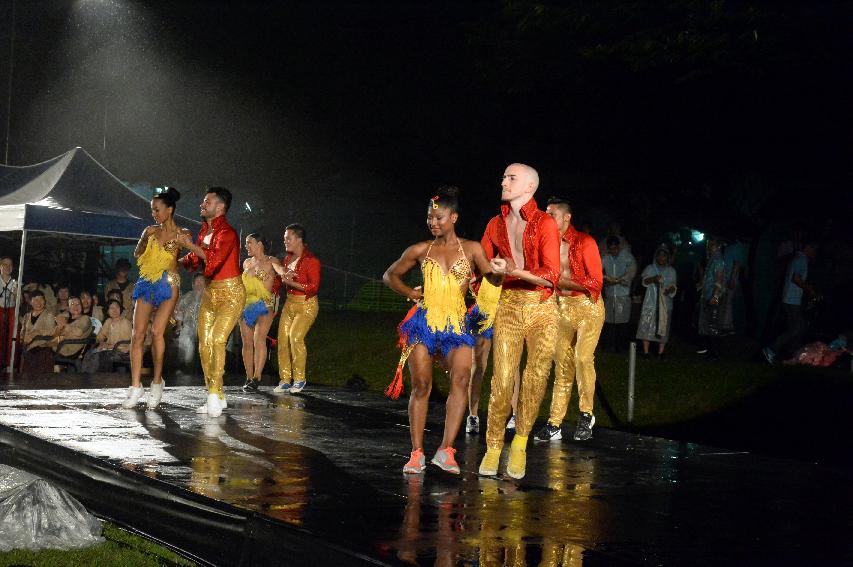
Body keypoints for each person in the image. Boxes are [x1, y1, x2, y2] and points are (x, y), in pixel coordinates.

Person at [383, 186, 499, 474]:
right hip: (424, 324)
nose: (433, 222)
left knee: (461, 379)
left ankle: (446, 451)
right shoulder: (421, 250)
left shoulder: (472, 249)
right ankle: (416, 452)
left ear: (454, 217)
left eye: (439, 217)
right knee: (422, 385)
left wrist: (501, 270)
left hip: (457, 325)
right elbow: (390, 275)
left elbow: (492, 278)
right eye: (430, 218)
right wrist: (410, 292)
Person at [478, 163, 561, 480]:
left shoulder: (545, 223)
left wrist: (513, 270)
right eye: (503, 177)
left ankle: (521, 443)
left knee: (535, 377)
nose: (503, 181)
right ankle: (494, 445)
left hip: (541, 306)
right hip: (510, 304)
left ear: (530, 186)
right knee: (501, 378)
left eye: (511, 178)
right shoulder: (495, 224)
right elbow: (481, 265)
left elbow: (551, 275)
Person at [534, 196, 604, 443]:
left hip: (588, 307)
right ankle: (555, 423)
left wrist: (560, 282)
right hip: (562, 307)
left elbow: (596, 282)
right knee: (562, 365)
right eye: (546, 213)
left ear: (566, 217)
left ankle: (587, 414)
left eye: (551, 214)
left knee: (583, 357)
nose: (547, 218)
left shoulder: (584, 242)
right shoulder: (546, 243)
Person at [121, 188, 191, 410]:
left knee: (156, 332)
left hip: (169, 283)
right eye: (152, 209)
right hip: (146, 281)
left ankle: (157, 381)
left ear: (169, 210)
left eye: (157, 209)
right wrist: (143, 239)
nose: (154, 213)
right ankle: (135, 386)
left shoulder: (183, 233)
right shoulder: (150, 231)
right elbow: (137, 255)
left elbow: (192, 256)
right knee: (137, 333)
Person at [179, 187, 245, 417]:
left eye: (207, 201)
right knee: (203, 344)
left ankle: (214, 394)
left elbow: (214, 262)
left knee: (217, 339)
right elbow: (193, 259)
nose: (202, 204)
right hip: (210, 293)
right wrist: (175, 257)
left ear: (220, 207)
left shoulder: (228, 233)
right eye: (203, 201)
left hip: (231, 293)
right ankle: (216, 395)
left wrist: (190, 246)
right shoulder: (204, 231)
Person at [271, 224, 320, 394]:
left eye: (288, 238)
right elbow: (281, 280)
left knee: (295, 337)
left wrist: (290, 281)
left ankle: (299, 379)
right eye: (284, 238)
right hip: (290, 304)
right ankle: (285, 379)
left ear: (299, 239)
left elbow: (313, 287)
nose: (285, 241)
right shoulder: (287, 260)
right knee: (282, 339)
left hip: (307, 304)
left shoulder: (311, 260)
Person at [763, 239, 820, 363]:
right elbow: (796, 278)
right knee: (796, 328)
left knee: (800, 327)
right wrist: (809, 289)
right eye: (814, 249)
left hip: (790, 298)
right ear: (808, 247)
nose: (815, 253)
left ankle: (793, 354)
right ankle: (771, 349)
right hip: (791, 299)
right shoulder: (802, 259)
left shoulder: (797, 258)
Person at [239, 233, 281, 392]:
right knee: (247, 342)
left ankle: (257, 377)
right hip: (247, 305)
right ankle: (249, 377)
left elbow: (275, 274)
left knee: (259, 339)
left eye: (249, 243)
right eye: (245, 243)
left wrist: (258, 272)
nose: (246, 246)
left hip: (265, 304)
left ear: (260, 244)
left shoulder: (272, 261)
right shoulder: (246, 262)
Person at [636, 246, 678, 357]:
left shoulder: (671, 271)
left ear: (667, 258)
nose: (661, 258)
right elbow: (644, 281)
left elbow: (674, 285)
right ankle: (646, 351)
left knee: (664, 325)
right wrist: (653, 279)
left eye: (664, 256)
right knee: (647, 325)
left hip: (665, 304)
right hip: (651, 302)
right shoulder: (650, 268)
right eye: (659, 256)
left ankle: (661, 352)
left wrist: (669, 290)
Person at [601, 236, 636, 352]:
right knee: (609, 321)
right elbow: (597, 270)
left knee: (623, 321)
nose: (613, 251)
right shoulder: (605, 258)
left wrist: (622, 279)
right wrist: (605, 278)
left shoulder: (627, 257)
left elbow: (632, 271)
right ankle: (609, 346)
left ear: (619, 247)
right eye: (611, 249)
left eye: (615, 248)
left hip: (623, 294)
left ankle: (621, 347)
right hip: (610, 293)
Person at [696, 237, 730, 358]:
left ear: (718, 246)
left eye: (713, 244)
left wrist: (715, 296)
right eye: (709, 243)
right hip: (708, 295)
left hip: (715, 297)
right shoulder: (712, 259)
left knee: (713, 324)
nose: (710, 246)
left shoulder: (718, 260)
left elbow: (719, 279)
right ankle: (708, 349)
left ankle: (714, 352)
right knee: (708, 323)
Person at [82, 299, 132, 374]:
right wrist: (101, 342)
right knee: (90, 352)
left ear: (120, 309)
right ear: (107, 311)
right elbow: (100, 335)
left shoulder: (125, 322)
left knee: (101, 355)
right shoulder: (108, 321)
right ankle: (86, 376)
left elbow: (126, 341)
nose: (115, 310)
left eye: (117, 307)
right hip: (110, 349)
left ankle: (97, 377)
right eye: (111, 308)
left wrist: (109, 346)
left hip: (123, 350)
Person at [19, 290, 56, 375]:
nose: (39, 302)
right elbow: (22, 333)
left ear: (45, 301)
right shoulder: (27, 316)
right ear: (30, 302)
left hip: (43, 349)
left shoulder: (49, 315)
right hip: (27, 350)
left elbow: (52, 332)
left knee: (40, 379)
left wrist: (37, 333)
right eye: (35, 300)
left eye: (41, 299)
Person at [175, 273, 206, 370]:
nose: (199, 283)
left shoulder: (210, 297)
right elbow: (180, 311)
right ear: (193, 284)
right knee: (185, 336)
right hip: (189, 326)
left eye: (202, 280)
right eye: (197, 281)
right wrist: (179, 326)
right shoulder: (187, 296)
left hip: (206, 327)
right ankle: (185, 366)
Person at [50, 296, 93, 361]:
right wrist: (59, 326)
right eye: (72, 304)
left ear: (81, 307)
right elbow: (54, 335)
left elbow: (78, 332)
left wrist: (64, 325)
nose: (75, 306)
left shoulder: (85, 318)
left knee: (42, 351)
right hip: (59, 347)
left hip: (71, 350)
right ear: (68, 308)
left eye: (78, 304)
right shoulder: (66, 319)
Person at [0, 256, 18, 369]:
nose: (8, 267)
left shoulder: (15, 282)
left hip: (11, 312)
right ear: (0, 266)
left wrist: (16, 294)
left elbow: (19, 303)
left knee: (12, 336)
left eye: (10, 265)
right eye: (5, 264)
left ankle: (9, 364)